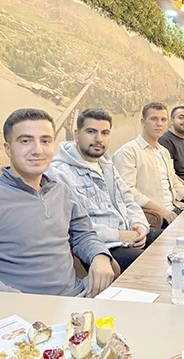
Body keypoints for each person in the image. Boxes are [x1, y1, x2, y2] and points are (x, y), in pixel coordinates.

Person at [0, 108, 115, 297]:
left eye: (45, 141)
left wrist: (99, 255)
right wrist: (17, 300)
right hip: (20, 308)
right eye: (25, 141)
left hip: (79, 297)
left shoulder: (61, 191)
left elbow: (84, 233)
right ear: (8, 148)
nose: (37, 150)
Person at [46, 108, 163, 273]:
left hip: (128, 234)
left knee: (172, 243)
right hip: (102, 246)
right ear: (77, 135)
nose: (99, 139)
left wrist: (140, 226)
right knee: (154, 266)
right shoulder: (58, 173)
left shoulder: (107, 166)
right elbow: (69, 226)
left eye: (105, 133)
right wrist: (119, 235)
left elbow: (129, 201)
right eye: (91, 132)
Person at [113, 102, 184, 226]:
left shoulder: (164, 151)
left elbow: (175, 183)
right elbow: (127, 191)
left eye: (163, 120)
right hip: (155, 216)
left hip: (175, 208)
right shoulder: (128, 152)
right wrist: (161, 211)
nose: (159, 124)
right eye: (154, 119)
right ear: (143, 122)